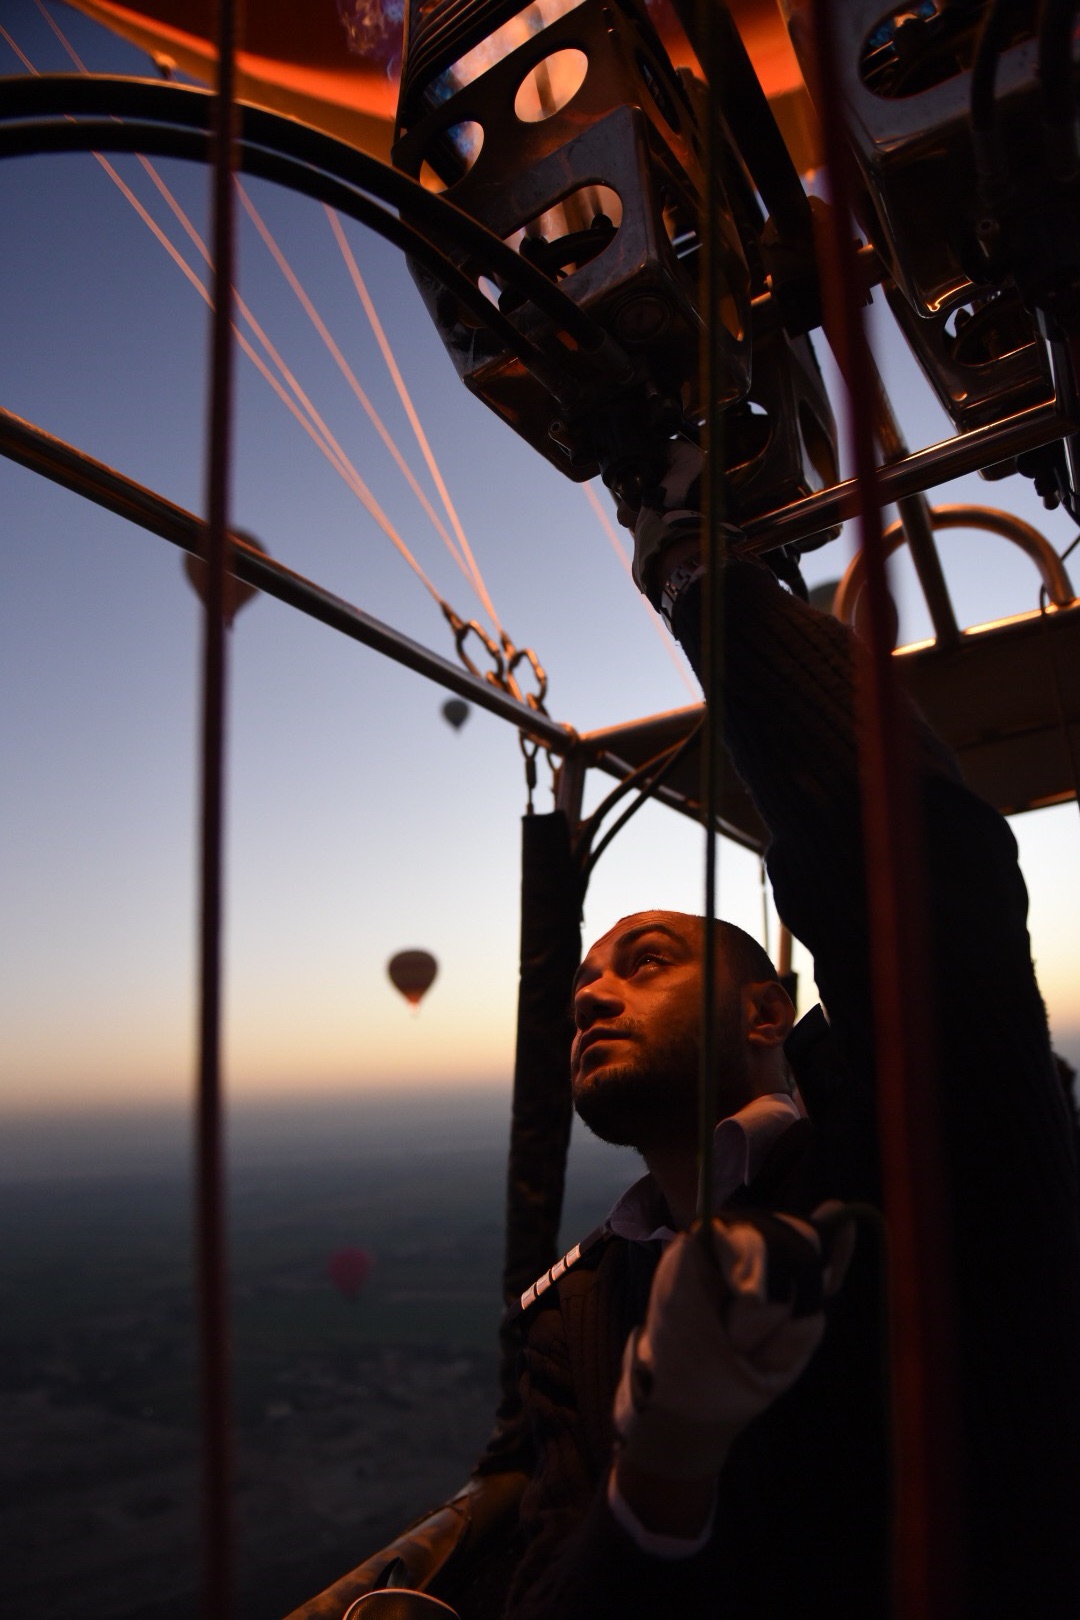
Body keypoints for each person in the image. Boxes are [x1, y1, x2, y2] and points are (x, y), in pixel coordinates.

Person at [487, 448, 1080, 1620]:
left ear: (769, 1010)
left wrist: (706, 577)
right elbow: (546, 1591)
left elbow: (916, 875)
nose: (591, 995)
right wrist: (663, 1470)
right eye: (581, 984)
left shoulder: (918, 1126)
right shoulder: (573, 1314)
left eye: (643, 963)